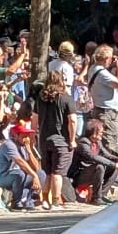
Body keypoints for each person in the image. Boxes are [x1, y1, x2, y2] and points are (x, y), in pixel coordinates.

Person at [37, 70, 76, 210]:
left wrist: (37, 134)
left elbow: (35, 119)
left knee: (48, 172)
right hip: (61, 141)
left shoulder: (41, 98)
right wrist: (72, 140)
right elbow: (72, 121)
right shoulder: (66, 99)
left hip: (44, 139)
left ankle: (44, 200)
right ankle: (55, 201)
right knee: (57, 173)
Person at [0, 120, 42, 210]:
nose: (26, 138)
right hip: (1, 177)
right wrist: (33, 175)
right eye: (23, 136)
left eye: (27, 136)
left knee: (41, 174)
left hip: (15, 176)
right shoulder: (9, 144)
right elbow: (20, 162)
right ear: (15, 136)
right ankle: (16, 202)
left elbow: (36, 168)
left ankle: (29, 201)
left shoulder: (23, 147)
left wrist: (29, 151)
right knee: (20, 174)